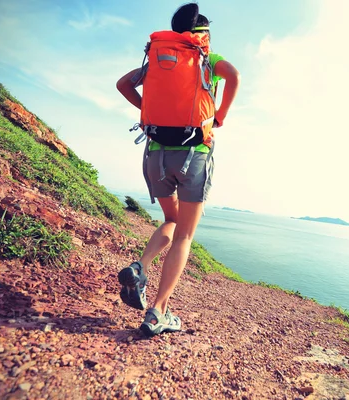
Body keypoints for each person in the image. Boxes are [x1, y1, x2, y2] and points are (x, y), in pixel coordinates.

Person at [115, 3, 240, 336]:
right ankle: (157, 312)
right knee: (184, 234)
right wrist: (220, 115)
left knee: (171, 220)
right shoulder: (205, 59)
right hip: (193, 153)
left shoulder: (158, 57)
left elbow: (123, 84)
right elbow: (234, 76)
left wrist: (148, 113)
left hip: (156, 154)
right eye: (208, 36)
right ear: (201, 35)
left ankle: (140, 265)